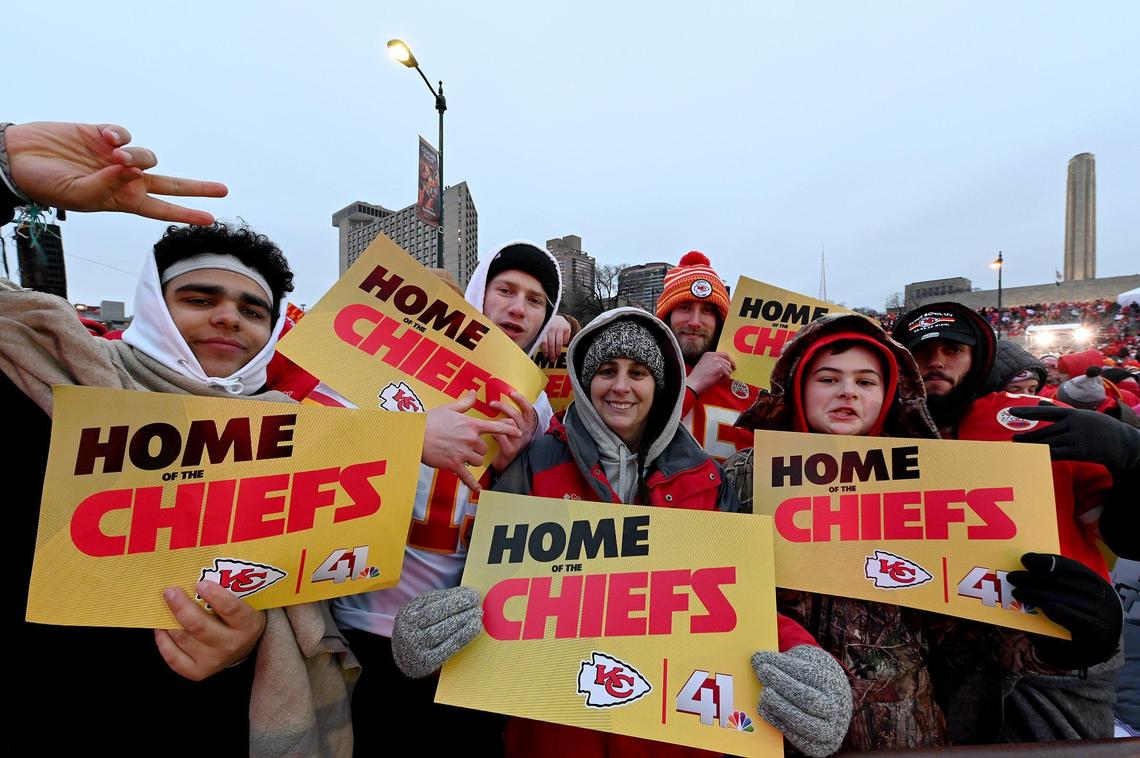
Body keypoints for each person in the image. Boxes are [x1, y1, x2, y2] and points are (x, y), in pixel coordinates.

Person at [390, 308, 854, 758]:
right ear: (585, 380)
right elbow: (485, 594)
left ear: (661, 384)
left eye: (638, 372)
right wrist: (431, 640)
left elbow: (740, 603)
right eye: (607, 370)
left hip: (679, 740)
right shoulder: (532, 467)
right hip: (553, 738)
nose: (621, 386)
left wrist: (801, 655)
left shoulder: (707, 477)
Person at [1, 221, 355, 753]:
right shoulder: (49, 379)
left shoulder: (295, 431)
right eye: (199, 298)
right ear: (154, 306)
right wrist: (8, 170)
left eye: (254, 311)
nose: (228, 318)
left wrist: (243, 645)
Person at [327, 241, 566, 754]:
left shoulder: (538, 403)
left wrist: (515, 470)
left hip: (468, 628)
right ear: (479, 294)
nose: (518, 308)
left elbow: (535, 532)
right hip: (367, 617)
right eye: (505, 290)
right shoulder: (395, 355)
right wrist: (410, 435)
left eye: (536, 299)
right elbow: (314, 444)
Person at [891, 301, 1127, 743]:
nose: (936, 361)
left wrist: (1133, 460)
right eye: (921, 352)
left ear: (978, 359)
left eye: (952, 350)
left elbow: (1123, 534)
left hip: (1054, 648)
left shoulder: (1032, 417)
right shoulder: (874, 435)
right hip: (931, 660)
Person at [723, 313, 948, 752]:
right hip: (770, 720)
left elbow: (964, 633)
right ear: (801, 388)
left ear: (886, 396)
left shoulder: (932, 482)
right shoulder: (740, 476)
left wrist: (1056, 640)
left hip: (901, 736)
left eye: (866, 382)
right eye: (829, 379)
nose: (848, 391)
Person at [655, 251, 759, 461]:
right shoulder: (641, 372)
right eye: (685, 307)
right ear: (667, 316)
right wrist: (693, 385)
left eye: (707, 311)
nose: (695, 321)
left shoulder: (752, 381)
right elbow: (631, 442)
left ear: (721, 322)